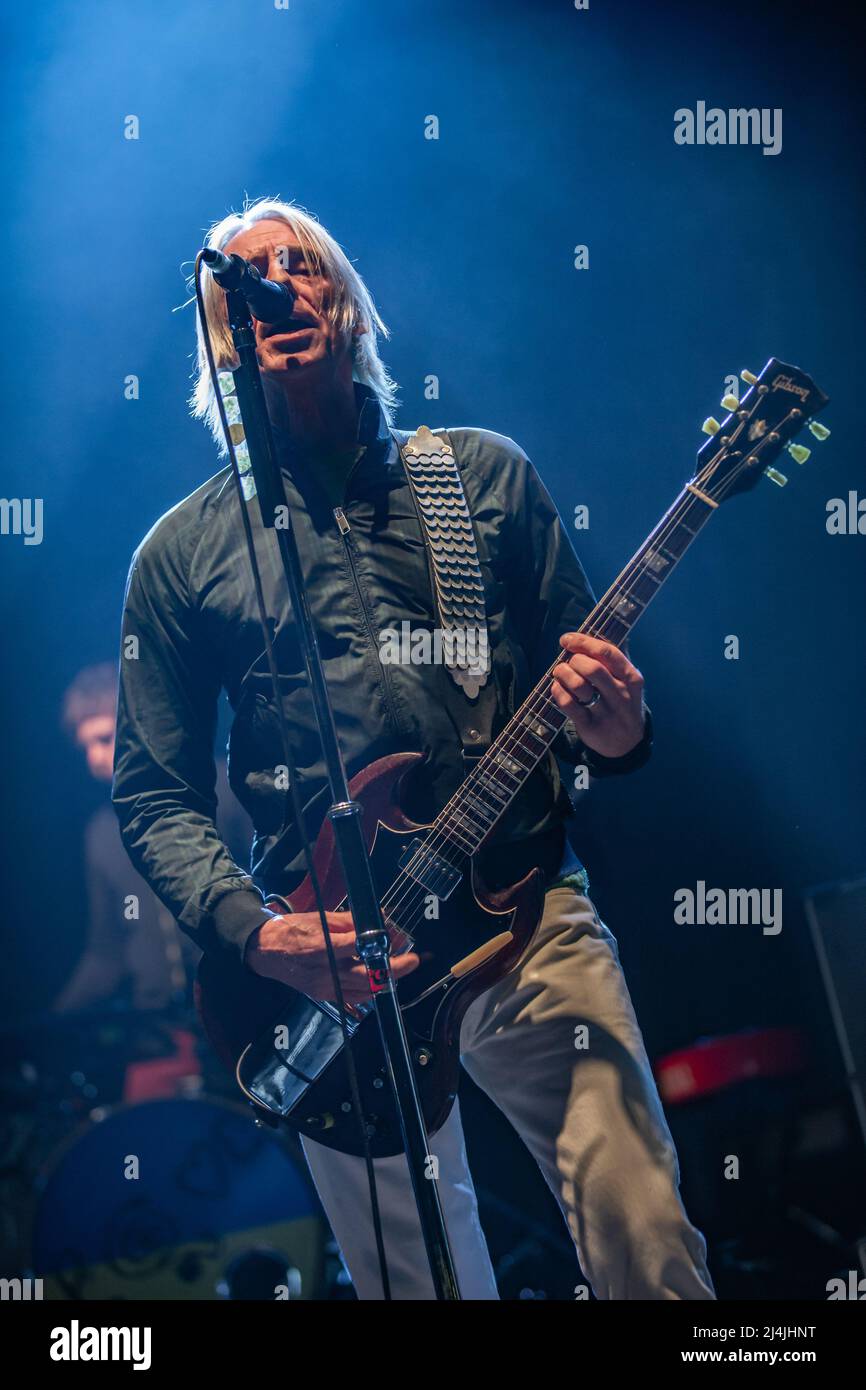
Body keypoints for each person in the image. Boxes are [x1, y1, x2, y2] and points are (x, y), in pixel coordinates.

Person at [112, 196, 714, 1300]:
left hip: (525, 913)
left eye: (300, 266)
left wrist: (616, 728)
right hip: (337, 959)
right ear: (218, 342)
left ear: (344, 304)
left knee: (647, 1240)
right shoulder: (181, 554)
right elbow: (154, 793)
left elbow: (590, 713)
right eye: (244, 286)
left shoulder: (479, 477)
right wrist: (260, 935)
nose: (276, 288)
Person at [58, 662, 249, 1013]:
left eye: (103, 739)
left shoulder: (221, 785)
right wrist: (49, 1027)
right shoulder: (101, 834)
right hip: (161, 1028)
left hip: (247, 1004)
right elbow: (105, 951)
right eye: (83, 747)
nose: (94, 759)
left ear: (138, 724)